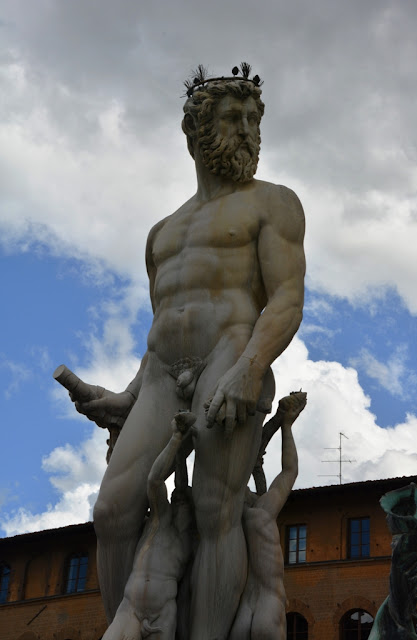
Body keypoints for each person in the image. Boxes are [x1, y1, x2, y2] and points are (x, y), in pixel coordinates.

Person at [68, 65, 305, 639]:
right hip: (161, 377)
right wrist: (123, 396)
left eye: (254, 119)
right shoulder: (162, 232)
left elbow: (287, 299)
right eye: (233, 117)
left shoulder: (274, 203)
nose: (247, 129)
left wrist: (252, 368)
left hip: (232, 356)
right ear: (195, 131)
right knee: (113, 511)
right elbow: (163, 326)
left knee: (213, 509)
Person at [102, 411, 196, 640]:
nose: (181, 503)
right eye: (178, 499)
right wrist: (177, 439)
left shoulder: (193, 540)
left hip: (163, 611)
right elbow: (155, 481)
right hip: (130, 608)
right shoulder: (159, 520)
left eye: (185, 501)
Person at [229, 391, 307, 640]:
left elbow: (249, 466)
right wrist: (286, 425)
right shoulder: (263, 514)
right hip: (268, 604)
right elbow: (289, 470)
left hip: (243, 611)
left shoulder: (235, 519)